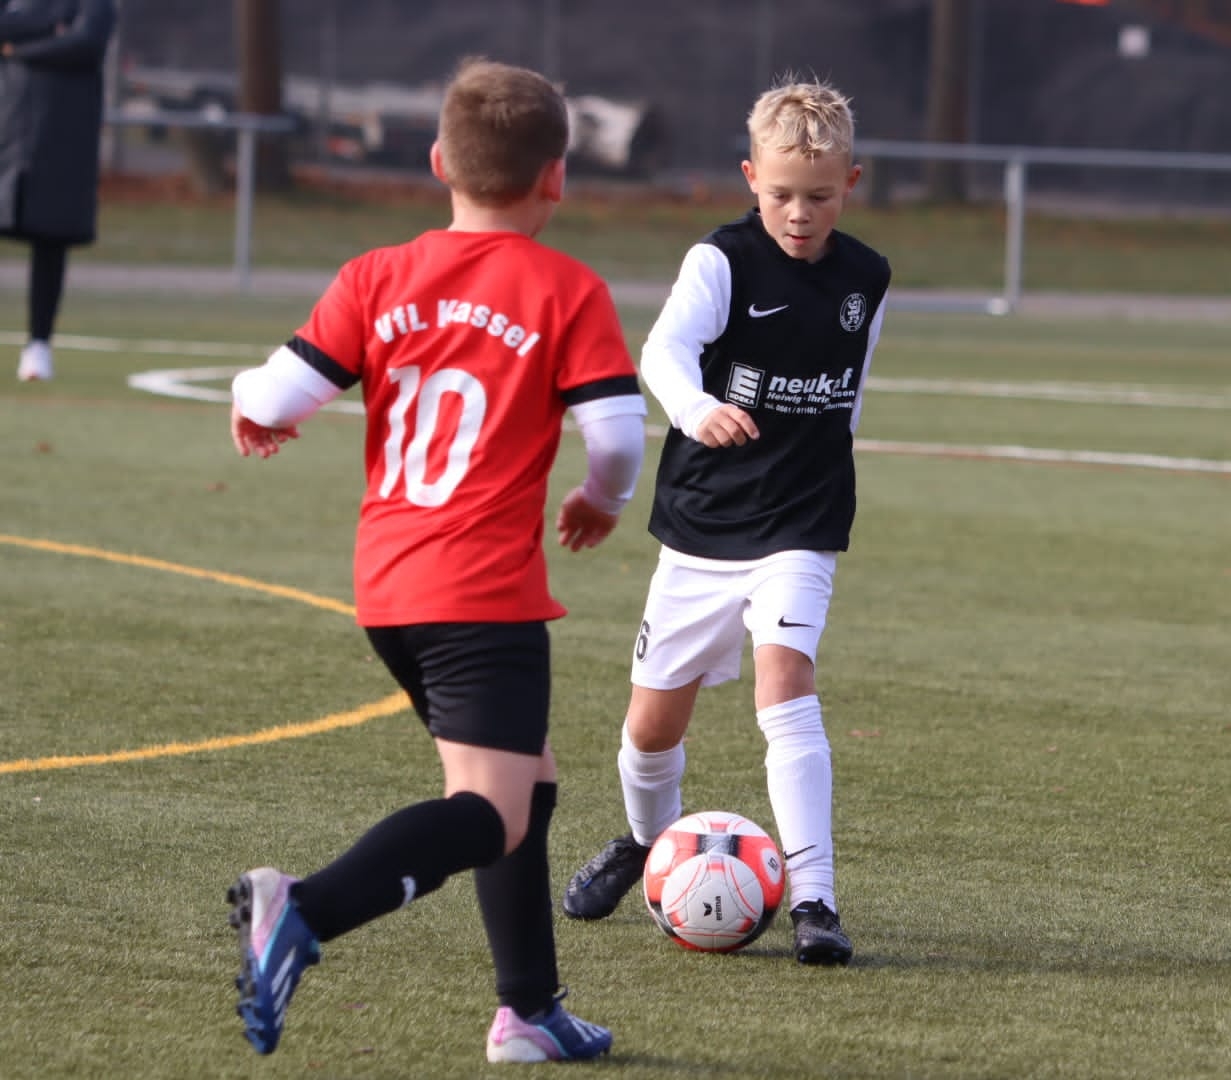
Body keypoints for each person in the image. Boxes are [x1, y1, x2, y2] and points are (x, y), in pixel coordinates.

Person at [224, 57, 647, 1062]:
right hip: (484, 595)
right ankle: (303, 910)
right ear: (557, 176)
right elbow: (620, 436)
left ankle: (530, 1012)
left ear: (437, 162)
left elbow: (274, 396)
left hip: (390, 587)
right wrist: (600, 500)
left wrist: (249, 407)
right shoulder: (566, 288)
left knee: (524, 783)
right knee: (492, 813)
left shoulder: (376, 275)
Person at [559, 78, 890, 967]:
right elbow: (663, 350)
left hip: (802, 517)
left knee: (785, 684)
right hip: (704, 520)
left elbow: (850, 391)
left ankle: (815, 901)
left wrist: (826, 470)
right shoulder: (721, 262)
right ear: (750, 178)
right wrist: (697, 409)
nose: (799, 213)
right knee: (649, 728)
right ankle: (646, 845)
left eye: (819, 196)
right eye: (781, 194)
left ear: (851, 183)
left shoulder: (867, 277)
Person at [0, 0, 117, 382]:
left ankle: (38, 346)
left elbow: (86, 42)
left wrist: (17, 49)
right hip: (9, 125)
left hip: (61, 133)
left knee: (50, 238)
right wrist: (51, 26)